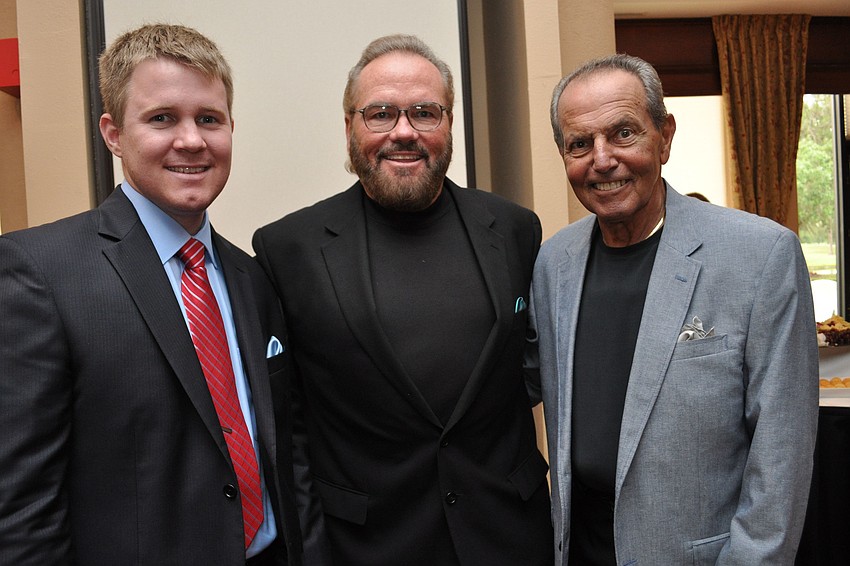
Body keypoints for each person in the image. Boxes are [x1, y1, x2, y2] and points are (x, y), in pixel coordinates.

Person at [0, 23, 320, 565]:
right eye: (162, 118)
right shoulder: (39, 272)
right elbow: (23, 505)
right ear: (113, 134)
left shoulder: (252, 277)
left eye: (209, 119)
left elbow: (287, 451)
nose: (192, 140)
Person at [252, 34, 553, 566]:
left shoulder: (512, 229)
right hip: (365, 545)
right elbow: (287, 426)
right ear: (349, 127)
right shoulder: (287, 249)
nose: (404, 132)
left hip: (508, 535)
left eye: (425, 113)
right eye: (381, 114)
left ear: (449, 123)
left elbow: (529, 368)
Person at [526, 53, 818, 564]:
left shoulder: (759, 255)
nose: (601, 159)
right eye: (579, 144)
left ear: (665, 135)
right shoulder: (555, 262)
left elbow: (781, 462)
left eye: (623, 133)